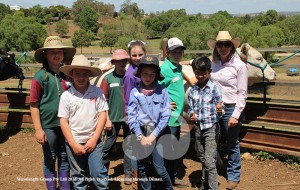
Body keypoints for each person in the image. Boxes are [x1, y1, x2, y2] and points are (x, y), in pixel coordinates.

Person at [30, 36, 76, 190]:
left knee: (65, 157)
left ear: (63, 54)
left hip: (67, 125)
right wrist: (38, 129)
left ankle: (65, 187)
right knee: (50, 158)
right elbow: (34, 105)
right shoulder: (40, 77)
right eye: (52, 52)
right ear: (45, 55)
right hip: (48, 125)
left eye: (59, 52)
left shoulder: (67, 76)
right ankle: (51, 187)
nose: (56, 55)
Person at [58, 55, 109, 190]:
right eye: (78, 74)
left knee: (98, 173)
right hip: (74, 141)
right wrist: (73, 144)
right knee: (78, 174)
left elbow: (102, 114)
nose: (81, 78)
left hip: (94, 140)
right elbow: (63, 120)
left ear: (89, 75)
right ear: (72, 75)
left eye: (84, 74)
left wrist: (94, 139)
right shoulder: (67, 96)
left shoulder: (97, 92)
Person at [207, 31, 248, 190]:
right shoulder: (213, 63)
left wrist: (236, 115)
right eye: (220, 44)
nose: (223, 47)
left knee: (232, 143)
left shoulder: (239, 65)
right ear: (216, 47)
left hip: (231, 108)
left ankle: (233, 176)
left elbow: (242, 93)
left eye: (226, 44)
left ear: (231, 47)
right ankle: (215, 168)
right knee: (212, 141)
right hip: (214, 107)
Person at [127, 55, 173, 190]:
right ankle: (146, 188)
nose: (148, 77)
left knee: (159, 167)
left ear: (157, 75)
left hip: (156, 133)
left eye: (152, 74)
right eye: (145, 74)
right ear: (140, 73)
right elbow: (132, 115)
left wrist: (153, 136)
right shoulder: (135, 92)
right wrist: (140, 136)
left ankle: (169, 187)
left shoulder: (162, 91)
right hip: (140, 132)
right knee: (142, 166)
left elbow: (165, 116)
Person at [188, 56, 224, 190]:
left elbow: (221, 107)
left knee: (209, 161)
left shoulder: (214, 88)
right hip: (198, 128)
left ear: (209, 71)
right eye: (197, 72)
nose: (200, 75)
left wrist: (220, 110)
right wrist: (191, 115)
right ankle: (205, 183)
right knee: (202, 157)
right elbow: (191, 108)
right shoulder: (193, 90)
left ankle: (213, 187)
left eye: (203, 73)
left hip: (211, 128)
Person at [159, 37, 189, 187]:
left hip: (176, 117)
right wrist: (163, 104)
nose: (178, 54)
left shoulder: (177, 67)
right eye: (175, 51)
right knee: (168, 151)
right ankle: (167, 182)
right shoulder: (164, 69)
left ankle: (172, 178)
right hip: (168, 118)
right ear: (168, 52)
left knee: (173, 150)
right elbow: (153, 88)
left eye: (180, 51)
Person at [99, 49, 132, 185]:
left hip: (129, 118)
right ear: (113, 62)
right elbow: (102, 101)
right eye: (118, 61)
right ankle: (102, 171)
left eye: (124, 60)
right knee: (108, 145)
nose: (121, 63)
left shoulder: (130, 77)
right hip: (112, 118)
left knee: (129, 145)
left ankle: (128, 172)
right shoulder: (107, 79)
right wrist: (106, 119)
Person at [122, 40, 147, 184]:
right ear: (129, 56)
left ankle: (137, 171)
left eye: (140, 54)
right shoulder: (130, 75)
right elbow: (128, 98)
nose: (137, 58)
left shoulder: (144, 69)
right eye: (134, 55)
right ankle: (132, 173)